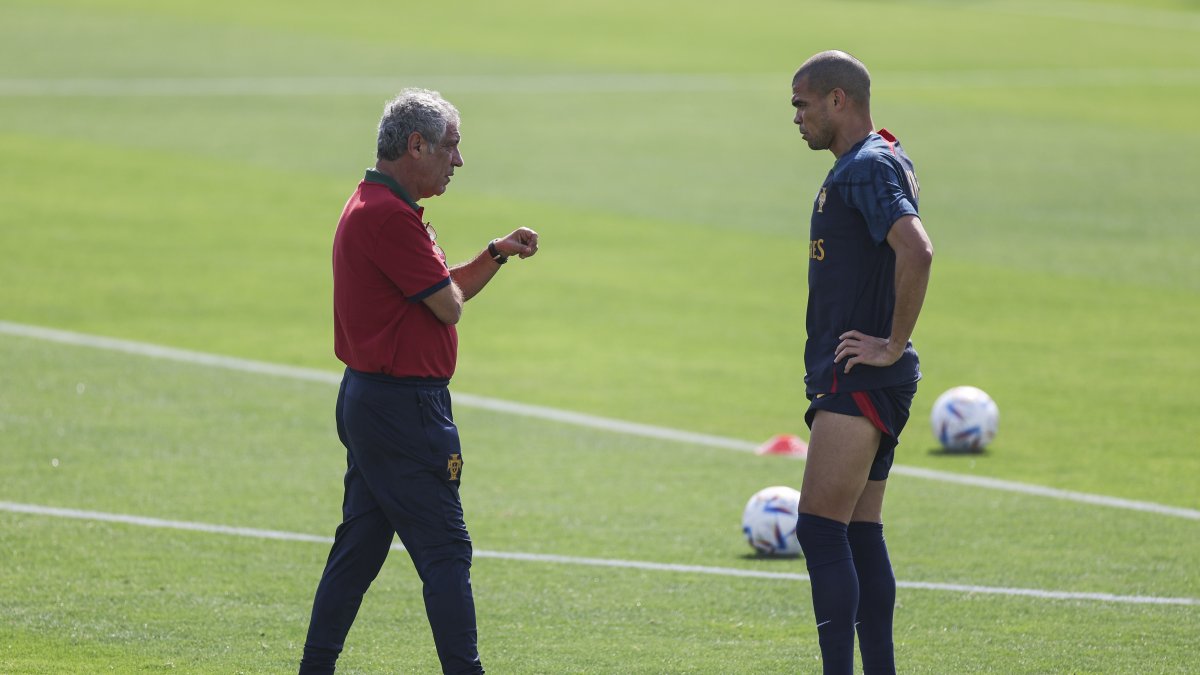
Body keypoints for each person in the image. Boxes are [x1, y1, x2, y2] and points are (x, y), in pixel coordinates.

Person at [298, 88, 538, 674]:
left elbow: (436, 291)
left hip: (372, 400)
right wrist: (465, 278)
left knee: (358, 549)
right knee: (446, 551)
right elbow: (448, 307)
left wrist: (494, 253)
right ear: (416, 144)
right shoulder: (390, 219)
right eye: (451, 147)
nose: (458, 161)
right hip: (405, 409)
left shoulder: (374, 205)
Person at [789, 51, 933, 674]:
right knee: (857, 532)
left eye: (802, 103)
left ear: (837, 100)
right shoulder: (881, 157)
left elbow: (918, 251)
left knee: (821, 530)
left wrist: (891, 342)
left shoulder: (866, 168)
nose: (795, 117)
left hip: (859, 378)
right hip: (868, 378)